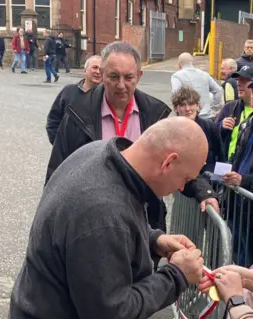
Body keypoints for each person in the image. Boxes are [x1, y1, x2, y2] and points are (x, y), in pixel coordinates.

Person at [9, 117, 208, 319]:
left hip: (39, 318)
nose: (180, 188)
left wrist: (153, 239)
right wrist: (176, 276)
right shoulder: (102, 211)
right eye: (185, 179)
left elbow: (109, 225)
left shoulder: (99, 153)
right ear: (168, 162)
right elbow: (110, 317)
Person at [46, 41, 219, 230]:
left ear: (139, 76)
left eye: (128, 77)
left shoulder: (154, 114)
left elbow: (177, 163)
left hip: (144, 223)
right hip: (92, 222)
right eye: (113, 76)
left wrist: (204, 191)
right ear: (102, 74)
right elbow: (58, 172)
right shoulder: (78, 114)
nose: (121, 85)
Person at [46, 55, 102, 144]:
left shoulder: (105, 97)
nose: (98, 72)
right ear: (85, 70)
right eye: (95, 67)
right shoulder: (68, 91)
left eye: (101, 69)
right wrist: (59, 145)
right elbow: (53, 120)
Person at [171, 85, 225, 174]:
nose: (187, 109)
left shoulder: (210, 126)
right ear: (176, 108)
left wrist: (220, 181)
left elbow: (220, 156)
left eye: (191, 104)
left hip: (207, 181)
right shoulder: (170, 130)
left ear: (198, 106)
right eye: (182, 105)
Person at [216, 66, 253, 160]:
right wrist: (221, 126)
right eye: (238, 80)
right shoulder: (230, 107)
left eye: (244, 81)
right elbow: (213, 134)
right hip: (227, 167)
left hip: (250, 170)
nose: (239, 84)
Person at [171, 52, 223, 120]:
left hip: (189, 118)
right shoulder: (204, 74)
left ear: (179, 65)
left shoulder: (177, 76)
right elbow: (218, 90)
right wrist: (214, 108)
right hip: (207, 116)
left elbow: (176, 95)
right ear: (192, 62)